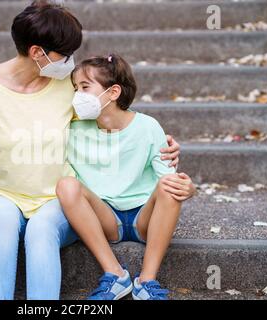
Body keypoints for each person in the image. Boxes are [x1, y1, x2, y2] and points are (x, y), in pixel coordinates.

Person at [0, 1, 181, 300]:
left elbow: (111, 109)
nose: (70, 60)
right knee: (3, 219)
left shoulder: (67, 87)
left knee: (41, 228)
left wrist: (162, 141)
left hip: (55, 202)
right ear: (36, 52)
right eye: (65, 54)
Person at [55, 54, 197, 300]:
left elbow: (171, 179)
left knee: (169, 184)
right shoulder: (73, 129)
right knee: (67, 185)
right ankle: (115, 275)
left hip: (145, 217)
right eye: (75, 88)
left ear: (113, 92)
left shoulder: (148, 127)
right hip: (106, 217)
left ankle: (147, 281)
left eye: (85, 87)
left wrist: (189, 188)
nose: (78, 95)